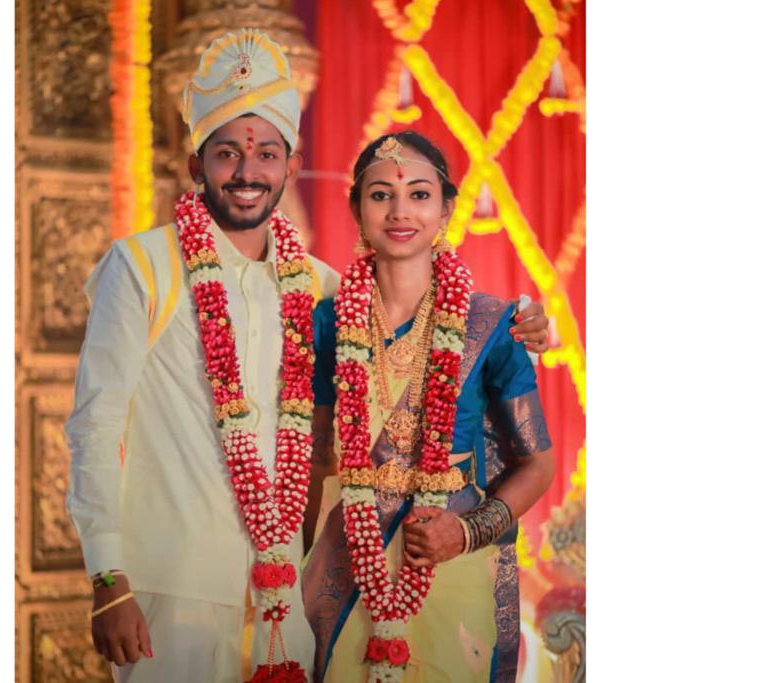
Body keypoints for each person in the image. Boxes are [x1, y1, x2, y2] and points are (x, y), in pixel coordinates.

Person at [66, 29, 551, 683]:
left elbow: (418, 329)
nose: (248, 172)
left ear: (290, 168)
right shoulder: (142, 268)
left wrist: (524, 325)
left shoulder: (320, 290)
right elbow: (94, 426)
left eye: (266, 153)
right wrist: (108, 577)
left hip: (288, 596)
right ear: (195, 166)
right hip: (173, 590)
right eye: (227, 153)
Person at [301, 131, 555, 683]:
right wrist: (282, 568)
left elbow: (538, 465)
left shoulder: (493, 325)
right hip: (347, 563)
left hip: (451, 566)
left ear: (446, 210)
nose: (400, 211)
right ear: (356, 209)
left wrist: (465, 533)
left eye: (419, 194)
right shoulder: (326, 322)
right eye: (381, 195)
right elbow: (315, 460)